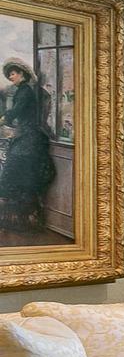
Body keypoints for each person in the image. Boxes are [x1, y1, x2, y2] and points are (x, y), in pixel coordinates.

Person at [0, 58, 56, 232]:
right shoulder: (21, 90)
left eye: (13, 74)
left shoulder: (25, 92)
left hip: (30, 138)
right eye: (9, 75)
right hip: (24, 135)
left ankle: (22, 219)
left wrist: (3, 119)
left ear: (22, 74)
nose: (11, 78)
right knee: (14, 173)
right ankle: (17, 219)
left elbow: (16, 111)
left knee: (15, 172)